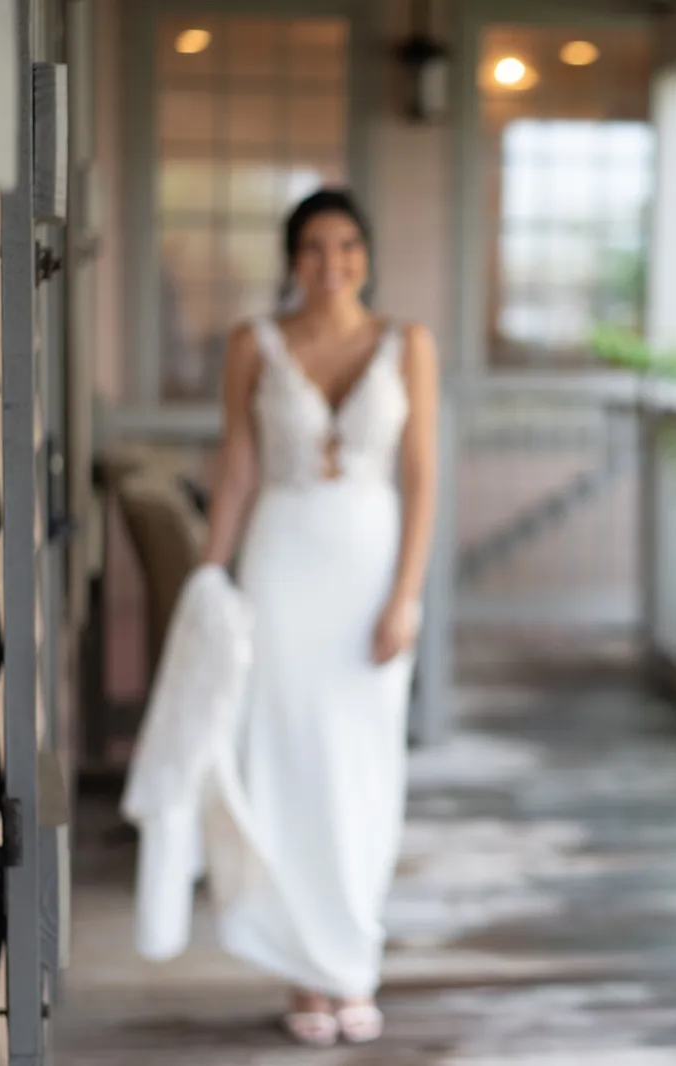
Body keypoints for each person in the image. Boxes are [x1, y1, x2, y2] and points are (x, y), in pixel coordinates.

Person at [198, 187, 439, 1048]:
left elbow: (421, 476)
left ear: (365, 255)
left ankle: (351, 963)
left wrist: (407, 594)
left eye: (346, 247)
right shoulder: (252, 345)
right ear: (291, 258)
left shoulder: (408, 344)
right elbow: (235, 464)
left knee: (364, 772)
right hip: (280, 565)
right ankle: (306, 969)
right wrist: (209, 578)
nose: (330, 264)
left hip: (370, 570)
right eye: (312, 248)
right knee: (288, 764)